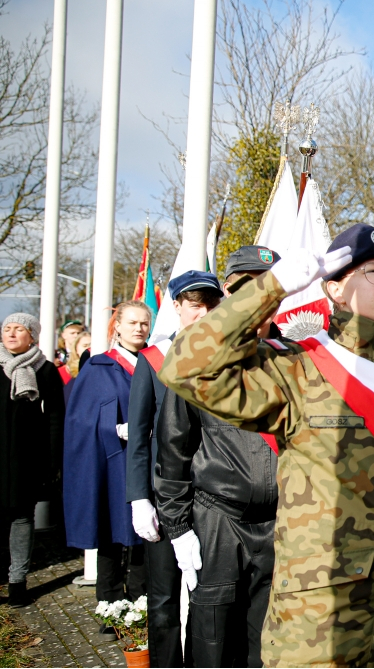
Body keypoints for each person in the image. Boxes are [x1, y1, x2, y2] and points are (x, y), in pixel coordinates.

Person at [159, 224, 374, 667]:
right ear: (335, 290)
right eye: (371, 271)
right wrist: (273, 287)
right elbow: (186, 369)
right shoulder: (301, 367)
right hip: (325, 625)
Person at [154, 263, 276, 668]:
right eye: (243, 289)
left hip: (280, 525)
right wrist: (178, 528)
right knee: (213, 639)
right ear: (227, 296)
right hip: (219, 522)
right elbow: (173, 452)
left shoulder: (292, 361)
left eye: (265, 288)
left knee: (269, 641)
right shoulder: (196, 362)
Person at [126, 270, 222, 668]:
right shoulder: (154, 359)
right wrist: (138, 498)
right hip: (166, 499)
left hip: (214, 500)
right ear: (177, 307)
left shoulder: (229, 356)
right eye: (194, 304)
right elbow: (139, 435)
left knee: (212, 599)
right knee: (163, 600)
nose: (203, 312)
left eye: (210, 303)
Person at [64, 302, 151, 613]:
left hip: (148, 460)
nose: (139, 328)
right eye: (132, 322)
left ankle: (143, 603)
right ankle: (110, 602)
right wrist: (112, 428)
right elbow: (78, 419)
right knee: (112, 532)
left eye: (144, 322)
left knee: (146, 534)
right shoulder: (98, 366)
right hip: (113, 460)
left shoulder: (156, 363)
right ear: (117, 326)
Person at [0, 314, 65, 608]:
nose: (12, 334)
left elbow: (54, 418)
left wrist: (52, 462)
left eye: (19, 329)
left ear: (32, 336)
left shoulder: (46, 371)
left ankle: (17, 583)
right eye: (7, 329)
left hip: (26, 458)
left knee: (21, 517)